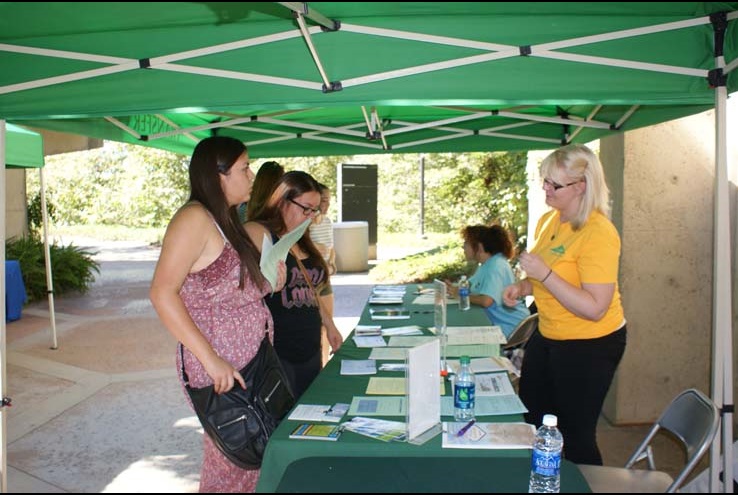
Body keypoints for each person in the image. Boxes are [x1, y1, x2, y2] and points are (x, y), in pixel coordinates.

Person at [149, 136, 285, 493]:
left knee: (253, 461)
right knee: (231, 464)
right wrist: (211, 360)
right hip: (221, 368)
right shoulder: (194, 219)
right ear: (218, 174)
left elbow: (229, 292)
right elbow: (162, 292)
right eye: (244, 168)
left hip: (250, 361)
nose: (252, 176)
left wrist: (270, 281)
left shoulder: (225, 219)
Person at [502, 143, 626, 466]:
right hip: (551, 332)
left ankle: (583, 482)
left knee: (574, 434)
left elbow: (595, 306)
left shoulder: (599, 233)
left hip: (591, 342)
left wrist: (545, 273)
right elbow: (547, 281)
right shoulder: (549, 220)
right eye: (544, 180)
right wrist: (523, 285)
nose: (545, 188)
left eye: (553, 184)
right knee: (533, 415)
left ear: (581, 186)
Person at [245, 170, 344, 399]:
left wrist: (328, 324)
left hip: (309, 348)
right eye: (306, 209)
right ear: (281, 201)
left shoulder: (301, 237)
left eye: (315, 210)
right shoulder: (258, 233)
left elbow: (310, 290)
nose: (311, 217)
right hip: (278, 353)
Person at [449, 224, 529, 338]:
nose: (463, 247)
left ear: (480, 247)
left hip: (510, 327)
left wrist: (461, 295)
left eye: (466, 243)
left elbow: (487, 301)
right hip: (500, 323)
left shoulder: (496, 266)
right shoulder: (487, 264)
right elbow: (470, 285)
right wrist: (454, 288)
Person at [309, 183, 337, 366]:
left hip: (325, 276)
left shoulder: (327, 222)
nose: (327, 204)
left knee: (328, 324)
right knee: (315, 326)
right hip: (310, 279)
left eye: (328, 199)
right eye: (323, 200)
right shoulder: (307, 224)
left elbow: (331, 249)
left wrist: (332, 265)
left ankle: (325, 363)